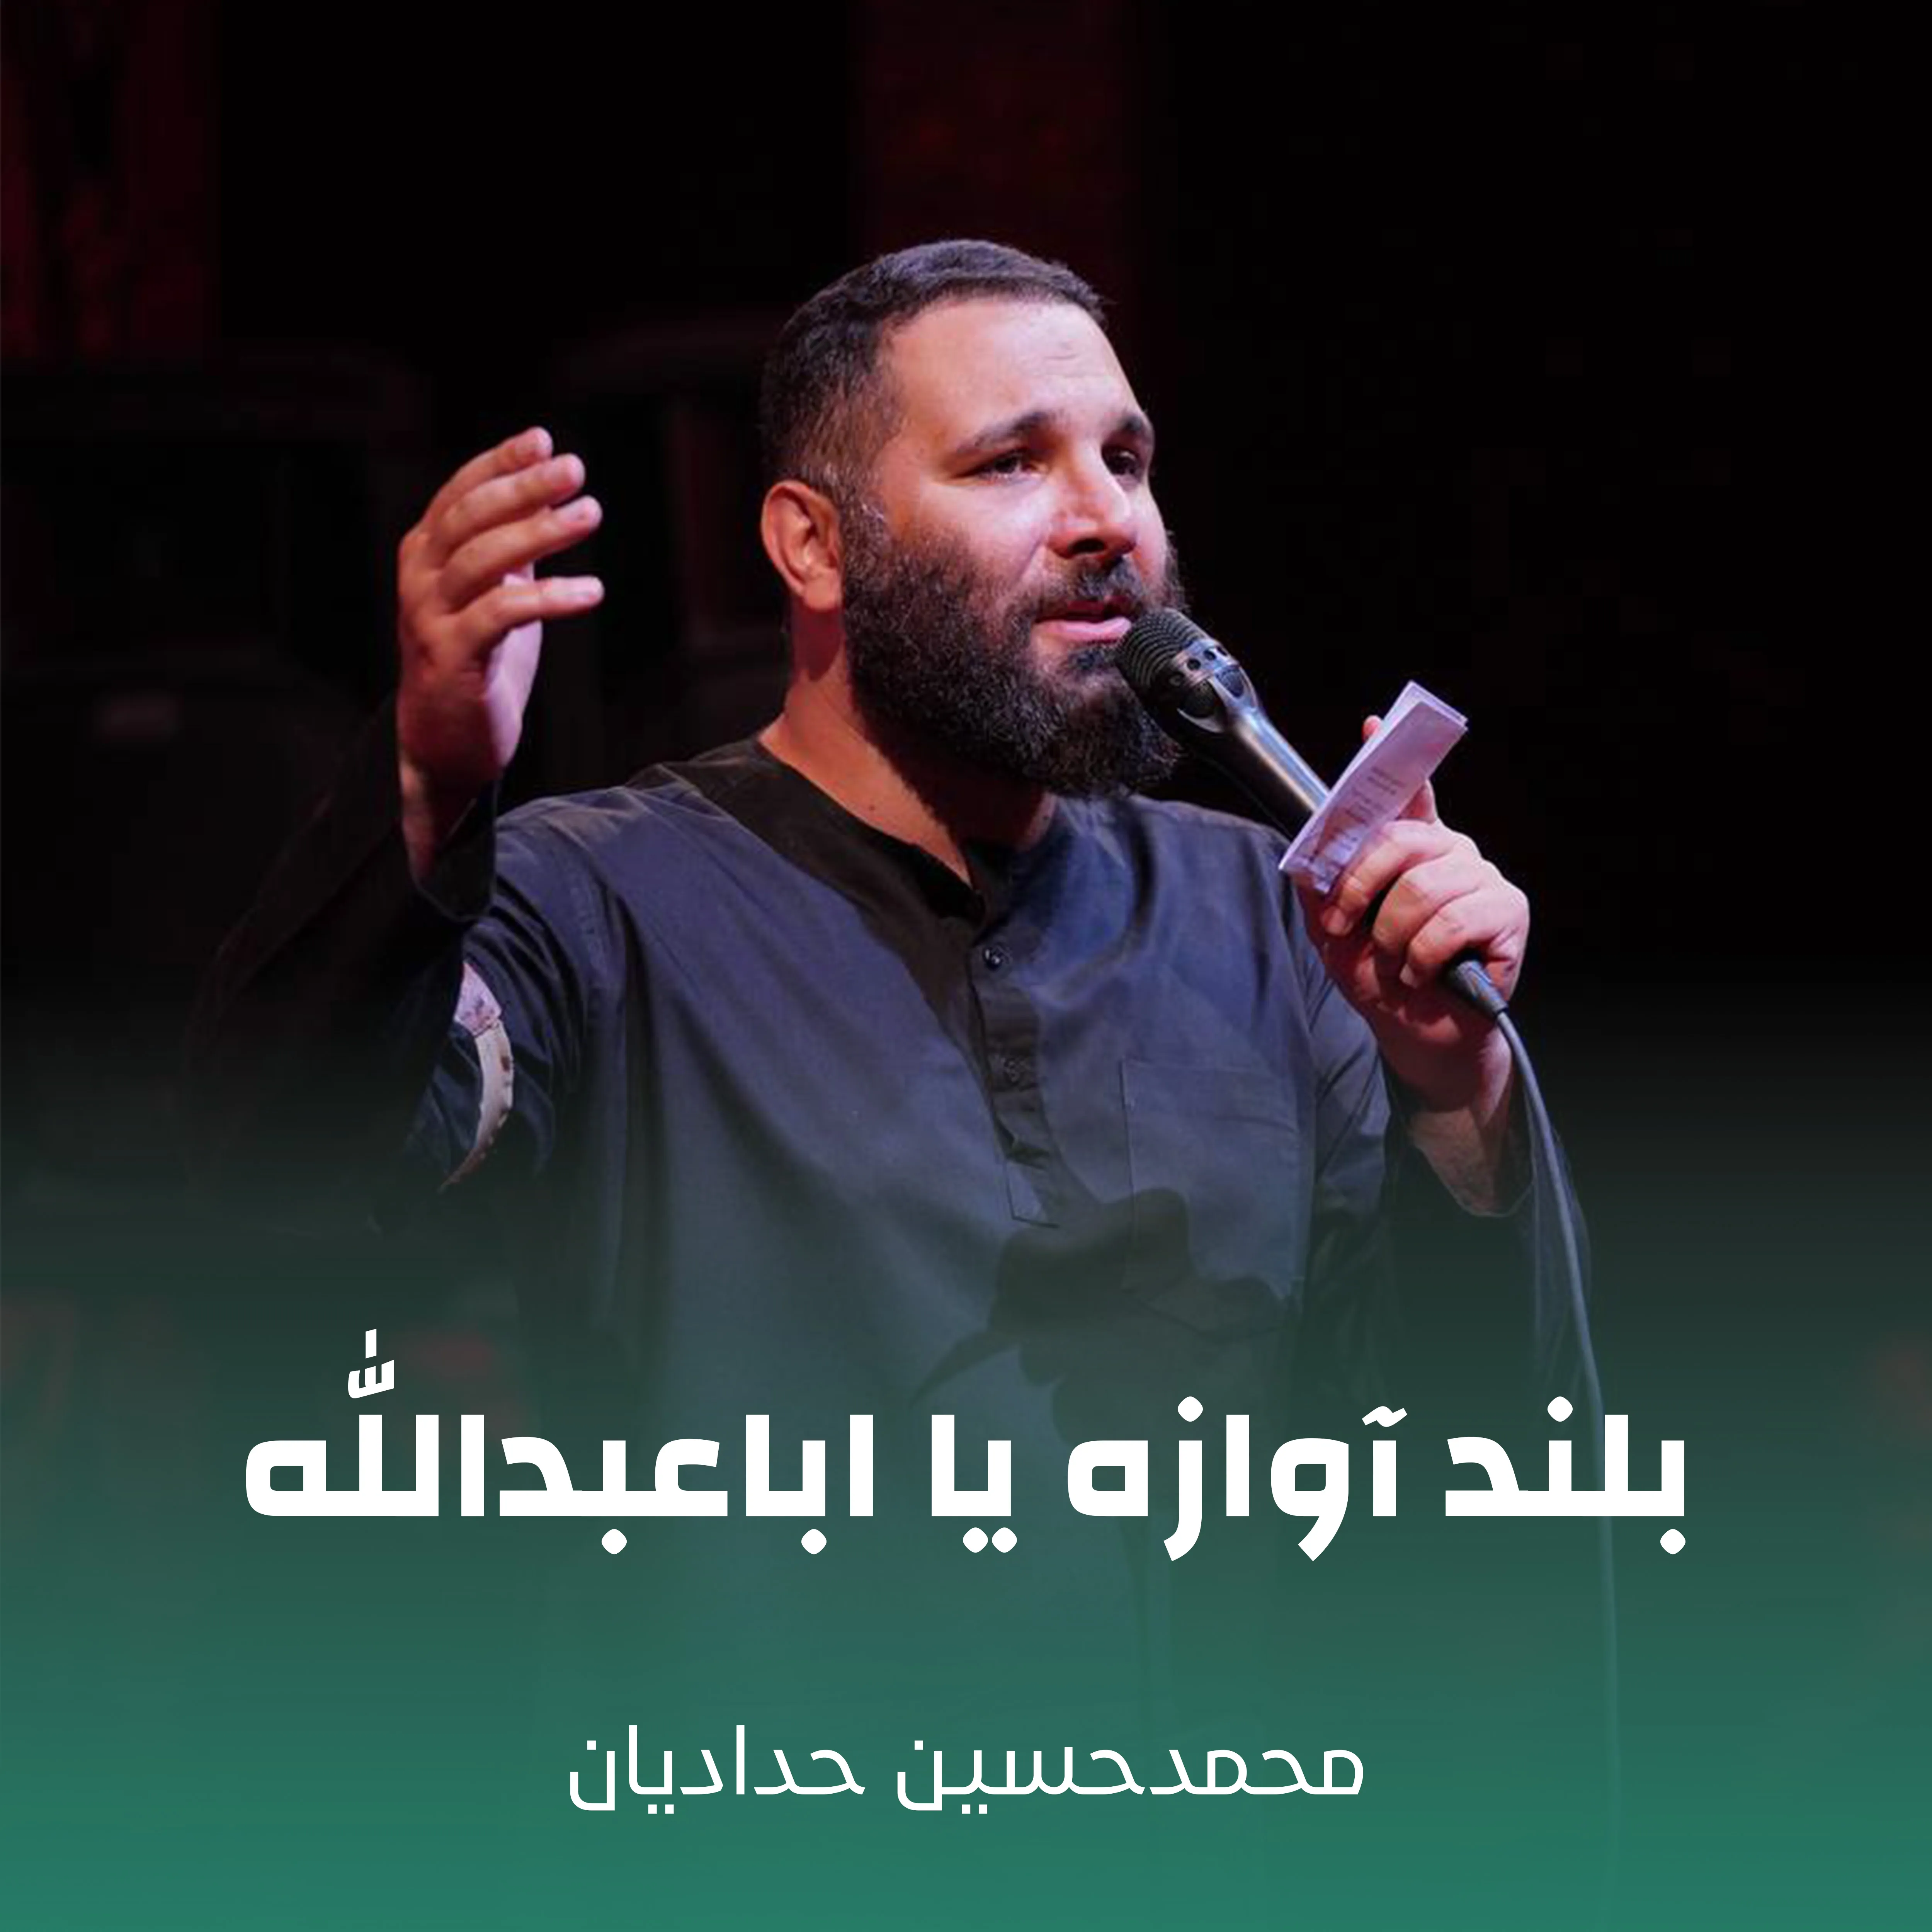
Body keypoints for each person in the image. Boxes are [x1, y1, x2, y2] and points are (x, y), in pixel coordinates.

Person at [190, 240, 1548, 1738]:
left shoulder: (1270, 919)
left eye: (1125, 458)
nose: (1106, 517)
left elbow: (1444, 1451)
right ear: (812, 547)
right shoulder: (597, 903)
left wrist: (1457, 1098)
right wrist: (422, 786)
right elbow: (284, 1161)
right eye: (1010, 462)